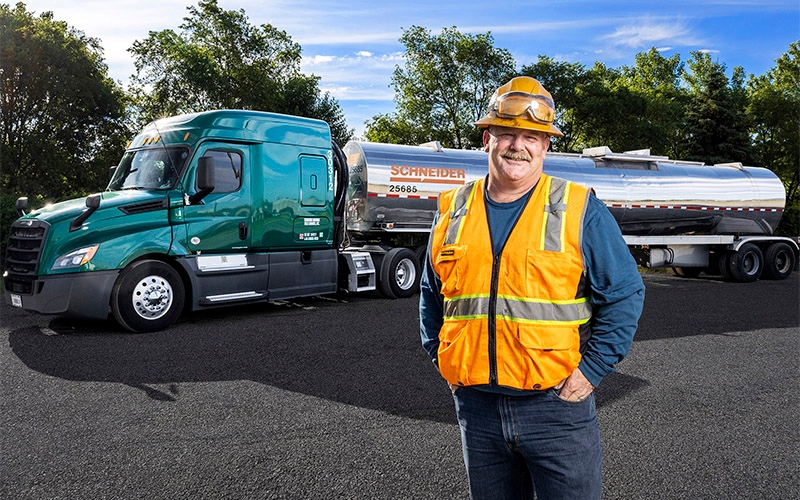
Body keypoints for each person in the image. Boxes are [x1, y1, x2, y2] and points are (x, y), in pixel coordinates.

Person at [419, 76, 645, 499]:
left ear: (545, 146)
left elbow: (625, 293)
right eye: (506, 133)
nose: (517, 145)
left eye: (531, 136)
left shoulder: (578, 208)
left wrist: (591, 372)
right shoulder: (452, 210)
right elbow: (432, 295)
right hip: (477, 409)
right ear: (488, 138)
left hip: (555, 409)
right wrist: (441, 357)